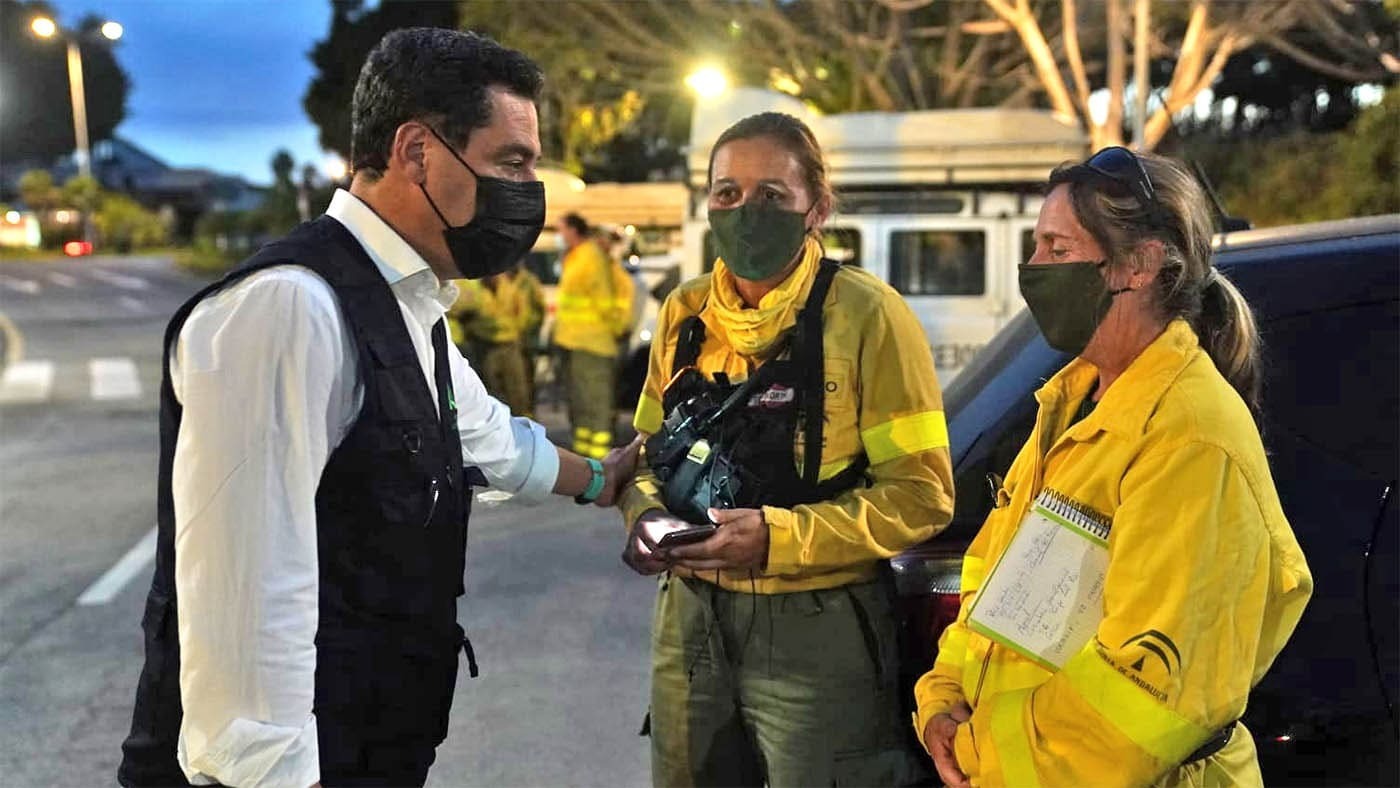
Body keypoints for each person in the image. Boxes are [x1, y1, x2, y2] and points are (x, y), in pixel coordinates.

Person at [118, 28, 638, 788]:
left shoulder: (406, 300)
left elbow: (482, 437)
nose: (528, 191)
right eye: (511, 162)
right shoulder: (290, 308)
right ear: (418, 152)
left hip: (374, 741)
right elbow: (248, 605)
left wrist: (601, 478)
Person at [913, 147, 1313, 787]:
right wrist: (940, 700)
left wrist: (979, 750)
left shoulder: (1189, 438)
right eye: (1035, 247)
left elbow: (1137, 703)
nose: (1032, 270)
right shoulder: (1072, 405)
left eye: (1057, 250)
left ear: (1138, 264)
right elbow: (990, 590)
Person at [616, 112, 955, 787]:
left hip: (818, 629)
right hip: (690, 622)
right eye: (727, 194)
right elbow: (645, 459)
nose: (746, 213)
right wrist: (643, 517)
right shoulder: (683, 315)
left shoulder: (869, 317)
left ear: (817, 208)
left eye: (772, 195)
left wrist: (780, 539)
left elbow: (923, 496)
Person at [554, 212, 634, 459]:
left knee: (595, 403)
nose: (559, 236)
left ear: (574, 230)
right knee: (581, 401)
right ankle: (583, 454)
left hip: (594, 341)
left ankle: (600, 459)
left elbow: (604, 300)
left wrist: (615, 331)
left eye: (561, 230)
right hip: (575, 340)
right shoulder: (578, 256)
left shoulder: (591, 257)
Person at [448, 266, 534, 417]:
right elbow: (465, 310)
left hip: (511, 344)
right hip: (484, 345)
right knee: (491, 391)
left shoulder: (510, 286)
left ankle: (523, 429)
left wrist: (521, 332)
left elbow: (524, 312)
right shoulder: (476, 287)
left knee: (518, 392)